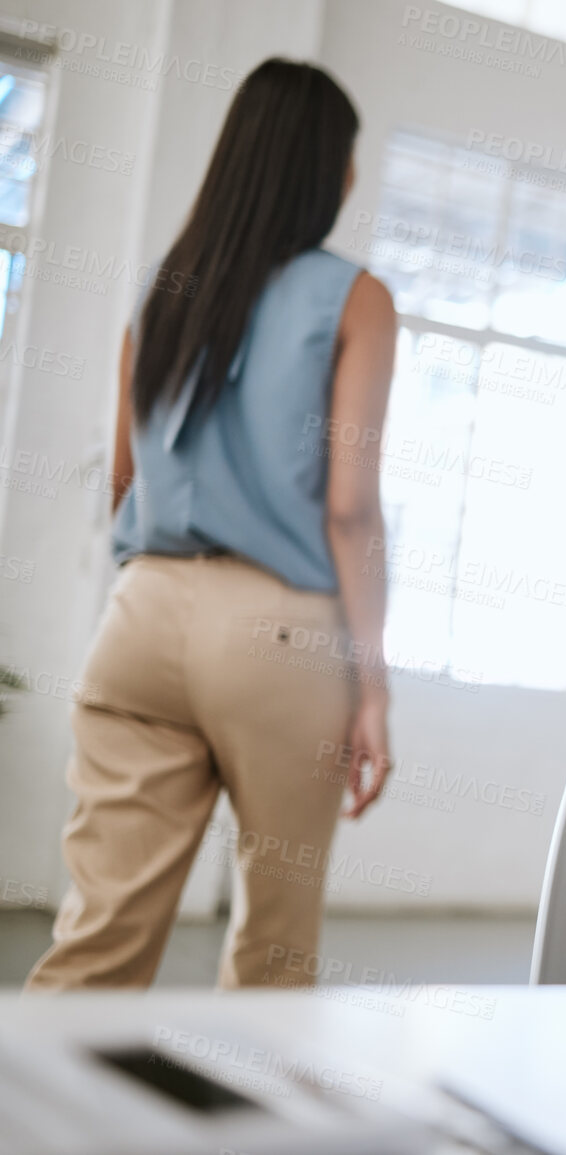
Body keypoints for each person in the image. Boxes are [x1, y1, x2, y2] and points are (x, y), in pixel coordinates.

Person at [26, 58, 398, 990]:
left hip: (140, 617)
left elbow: (121, 480)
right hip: (281, 634)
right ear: (325, 168)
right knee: (273, 948)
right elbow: (350, 510)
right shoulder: (355, 298)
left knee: (97, 938)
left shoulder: (164, 293)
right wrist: (374, 688)